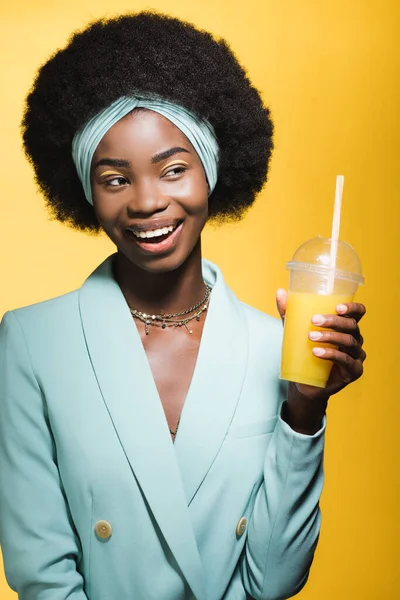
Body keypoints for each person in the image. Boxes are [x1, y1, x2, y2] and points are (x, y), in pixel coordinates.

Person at [0, 11, 366, 600]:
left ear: (212, 172)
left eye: (173, 170)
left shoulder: (277, 348)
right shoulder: (32, 344)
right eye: (114, 178)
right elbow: (40, 572)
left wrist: (305, 412)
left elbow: (273, 582)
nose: (146, 202)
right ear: (85, 192)